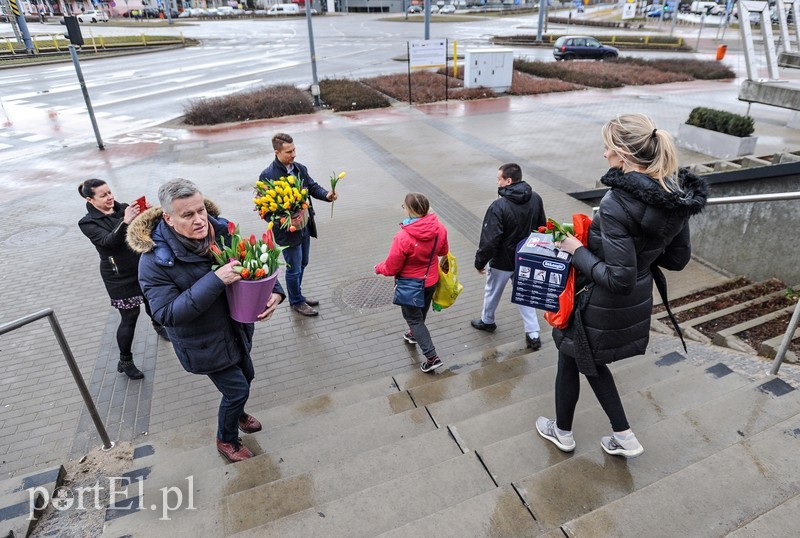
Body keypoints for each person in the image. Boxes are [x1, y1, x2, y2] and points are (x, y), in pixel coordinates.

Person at [536, 114, 708, 458]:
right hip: (635, 300)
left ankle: (608, 435)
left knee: (581, 357)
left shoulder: (616, 203)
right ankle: (575, 431)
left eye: (607, 148)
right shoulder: (675, 194)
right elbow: (676, 260)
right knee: (574, 356)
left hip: (599, 301)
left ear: (625, 156)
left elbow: (618, 276)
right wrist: (641, 250)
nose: (604, 155)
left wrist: (576, 249)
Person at [128, 178, 285, 463]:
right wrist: (214, 280)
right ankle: (226, 439)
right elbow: (166, 314)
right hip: (203, 342)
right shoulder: (154, 261)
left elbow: (256, 263)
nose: (200, 220)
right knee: (237, 389)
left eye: (201, 210)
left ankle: (236, 413)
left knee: (246, 378)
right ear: (169, 218)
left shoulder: (222, 230)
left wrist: (275, 292)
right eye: (188, 215)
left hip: (237, 328)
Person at [78, 178, 167, 380]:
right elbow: (108, 242)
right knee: (130, 317)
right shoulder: (87, 223)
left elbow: (145, 232)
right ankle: (125, 361)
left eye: (109, 192)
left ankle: (159, 326)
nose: (110, 198)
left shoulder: (125, 208)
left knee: (152, 301)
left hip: (142, 268)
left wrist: (149, 215)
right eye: (103, 195)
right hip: (118, 277)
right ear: (91, 200)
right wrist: (125, 221)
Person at [259, 133, 337, 317]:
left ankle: (297, 295)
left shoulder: (300, 168)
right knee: (293, 268)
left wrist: (327, 195)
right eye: (288, 152)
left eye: (294, 150)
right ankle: (296, 301)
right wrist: (282, 221)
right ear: (276, 152)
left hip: (305, 226)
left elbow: (312, 187)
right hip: (287, 232)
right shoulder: (268, 176)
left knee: (303, 263)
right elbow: (264, 210)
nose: (293, 154)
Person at [471, 163, 547, 350]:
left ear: (508, 181)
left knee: (492, 291)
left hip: (503, 261)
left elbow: (490, 240)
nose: (497, 182)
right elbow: (542, 228)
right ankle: (533, 333)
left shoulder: (499, 206)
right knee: (525, 294)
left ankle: (487, 321)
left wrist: (480, 262)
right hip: (527, 257)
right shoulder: (535, 198)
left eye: (499, 179)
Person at [375, 193, 449, 373]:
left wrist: (378, 268)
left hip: (410, 285)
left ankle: (432, 357)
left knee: (414, 319)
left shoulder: (403, 237)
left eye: (404, 207)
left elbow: (392, 267)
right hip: (431, 281)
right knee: (419, 315)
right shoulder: (440, 229)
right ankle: (412, 334)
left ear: (410, 211)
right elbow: (443, 251)